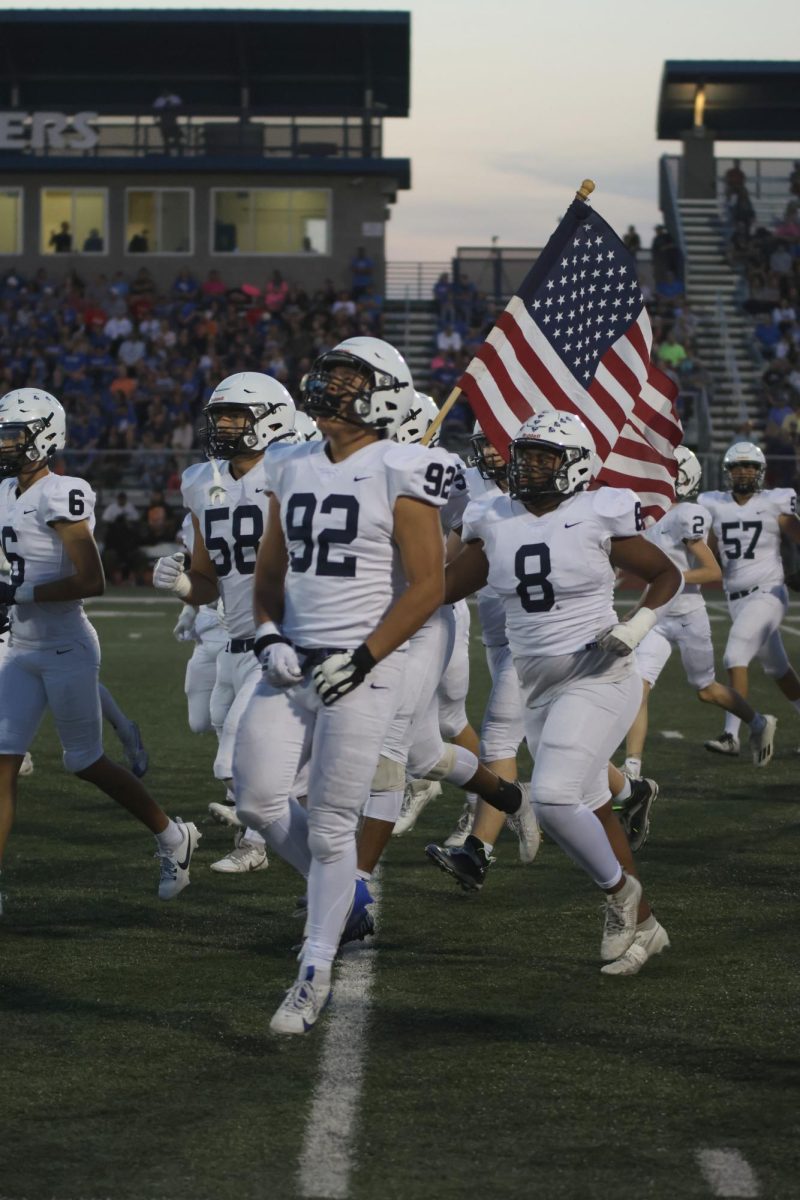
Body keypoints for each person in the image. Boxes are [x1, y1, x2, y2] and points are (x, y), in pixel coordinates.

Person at [230, 336, 524, 1034]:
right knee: (258, 798)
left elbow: (428, 586)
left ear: (384, 394)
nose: (329, 388)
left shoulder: (406, 466)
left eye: (347, 379)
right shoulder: (290, 461)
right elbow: (267, 575)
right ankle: (343, 897)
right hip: (296, 657)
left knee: (333, 828)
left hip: (367, 663)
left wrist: (362, 660)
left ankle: (314, 969)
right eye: (327, 373)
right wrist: (268, 633)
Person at [440, 411, 682, 976]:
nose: (528, 467)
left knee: (550, 798)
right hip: (539, 688)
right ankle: (645, 923)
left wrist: (636, 627)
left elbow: (665, 575)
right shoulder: (494, 517)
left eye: (544, 457)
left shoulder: (597, 512)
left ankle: (620, 894)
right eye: (525, 455)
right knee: (594, 807)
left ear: (574, 465)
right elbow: (445, 586)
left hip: (599, 675)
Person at [0, 388, 199, 914]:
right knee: (2, 761)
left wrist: (19, 593)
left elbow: (93, 579)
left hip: (65, 644)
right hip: (19, 645)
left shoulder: (62, 492)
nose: (5, 444)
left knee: (84, 760)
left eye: (14, 434)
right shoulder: (4, 491)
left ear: (45, 436)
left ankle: (171, 834)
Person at [154, 372, 297, 874]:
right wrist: (180, 587)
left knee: (237, 752)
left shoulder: (294, 472)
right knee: (234, 747)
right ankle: (257, 843)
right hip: (232, 641)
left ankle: (272, 837)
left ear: (271, 419)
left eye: (236, 416)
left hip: (282, 637)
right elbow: (207, 581)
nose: (224, 427)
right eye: (219, 417)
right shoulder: (200, 482)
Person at [623, 445, 777, 779]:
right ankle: (633, 768)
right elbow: (654, 581)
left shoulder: (686, 514)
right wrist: (636, 611)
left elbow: (712, 571)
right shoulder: (651, 517)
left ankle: (759, 721)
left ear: (680, 476)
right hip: (658, 616)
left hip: (689, 615)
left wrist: (670, 578)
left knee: (706, 689)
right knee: (638, 687)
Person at [699, 442, 800, 755]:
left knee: (734, 656)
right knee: (777, 668)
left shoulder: (775, 501)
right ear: (728, 472)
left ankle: (733, 735)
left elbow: (797, 534)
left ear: (760, 471)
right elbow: (709, 550)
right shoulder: (713, 503)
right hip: (736, 597)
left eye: (750, 466)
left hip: (769, 592)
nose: (744, 472)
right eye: (738, 467)